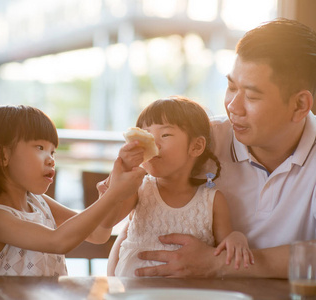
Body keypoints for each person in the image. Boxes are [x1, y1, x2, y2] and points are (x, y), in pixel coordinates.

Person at [124, 18, 316, 278]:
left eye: (251, 96)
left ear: (300, 105)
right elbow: (137, 219)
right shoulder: (202, 141)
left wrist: (220, 264)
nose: (233, 107)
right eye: (231, 87)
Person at [0, 105, 145, 276]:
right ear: (3, 156)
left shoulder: (40, 202)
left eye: (52, 152)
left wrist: (108, 194)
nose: (51, 160)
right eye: (40, 148)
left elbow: (98, 233)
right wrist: (113, 194)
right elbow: (57, 241)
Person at [105, 97, 254, 277]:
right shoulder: (139, 188)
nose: (153, 143)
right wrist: (119, 180)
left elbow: (223, 248)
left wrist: (236, 238)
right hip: (131, 291)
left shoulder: (212, 200)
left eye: (165, 135)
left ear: (196, 146)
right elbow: (107, 221)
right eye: (146, 135)